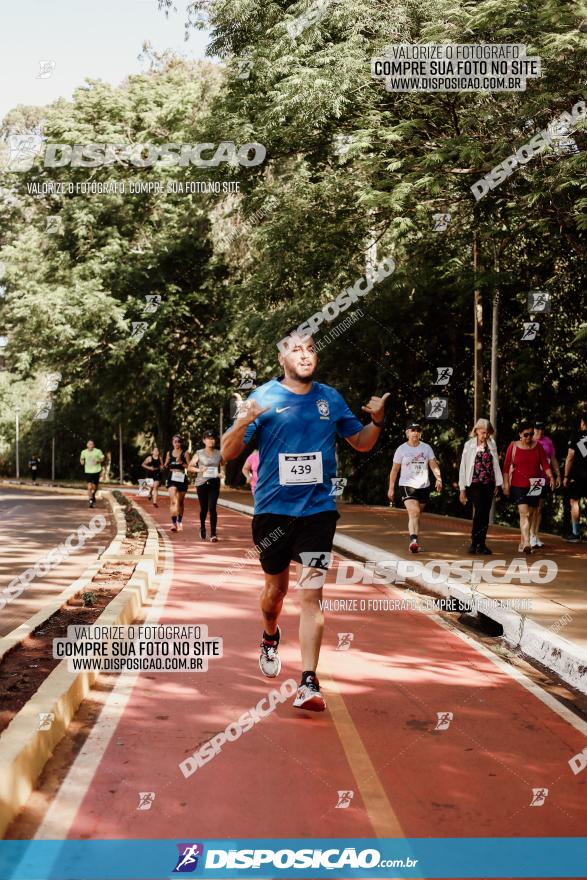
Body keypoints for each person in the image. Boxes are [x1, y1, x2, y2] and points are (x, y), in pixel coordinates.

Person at [221, 328, 388, 712]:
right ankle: (269, 634)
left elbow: (360, 442)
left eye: (310, 348)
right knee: (274, 595)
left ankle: (309, 681)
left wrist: (377, 421)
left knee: (311, 594)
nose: (305, 354)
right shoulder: (262, 397)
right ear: (282, 359)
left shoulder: (330, 398)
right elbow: (230, 453)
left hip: (318, 512)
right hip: (272, 512)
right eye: (296, 350)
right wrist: (243, 420)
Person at [388, 423, 442, 553]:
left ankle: (415, 540)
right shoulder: (401, 449)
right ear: (407, 433)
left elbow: (433, 465)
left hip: (424, 486)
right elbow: (395, 470)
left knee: (416, 515)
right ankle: (413, 541)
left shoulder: (426, 448)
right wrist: (391, 487)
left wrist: (439, 478)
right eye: (412, 430)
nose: (415, 433)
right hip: (407, 484)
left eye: (418, 430)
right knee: (414, 512)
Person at [502, 421, 555, 553]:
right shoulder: (513, 446)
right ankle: (526, 542)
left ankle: (522, 543)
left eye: (531, 434)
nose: (529, 437)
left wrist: (551, 476)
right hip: (518, 484)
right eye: (526, 435)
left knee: (531, 514)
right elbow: (506, 467)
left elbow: (545, 464)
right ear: (520, 434)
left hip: (536, 483)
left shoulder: (538, 447)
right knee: (524, 513)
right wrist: (506, 484)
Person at [458, 419, 503, 554]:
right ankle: (474, 541)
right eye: (483, 433)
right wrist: (462, 489)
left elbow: (495, 465)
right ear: (476, 431)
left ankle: (482, 544)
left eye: (488, 433)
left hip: (488, 484)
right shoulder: (469, 445)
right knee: (479, 510)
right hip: (474, 484)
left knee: (485, 513)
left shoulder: (492, 444)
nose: (485, 436)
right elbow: (463, 467)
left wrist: (498, 483)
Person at [188, 431, 223, 542]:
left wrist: (222, 474)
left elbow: (223, 465)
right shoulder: (199, 453)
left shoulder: (219, 453)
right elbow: (190, 467)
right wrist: (199, 469)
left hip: (214, 483)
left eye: (212, 438)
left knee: (212, 507)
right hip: (202, 484)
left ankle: (213, 533)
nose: (211, 440)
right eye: (208, 438)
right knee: (204, 509)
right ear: (204, 440)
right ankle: (202, 527)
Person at [532, 421, 561, 548]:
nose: (540, 431)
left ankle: (535, 535)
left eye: (542, 429)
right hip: (534, 479)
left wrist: (558, 474)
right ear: (533, 429)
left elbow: (553, 458)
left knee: (539, 508)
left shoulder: (548, 441)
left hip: (545, 478)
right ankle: (529, 535)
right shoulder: (530, 440)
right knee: (533, 507)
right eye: (537, 429)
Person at [563, 413, 587, 542]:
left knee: (575, 501)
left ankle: (576, 533)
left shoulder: (576, 436)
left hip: (578, 474)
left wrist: (566, 476)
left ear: (582, 423)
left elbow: (570, 456)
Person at [163, 435, 189, 532]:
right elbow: (165, 465)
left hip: (181, 478)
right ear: (172, 442)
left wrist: (182, 463)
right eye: (175, 441)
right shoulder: (169, 453)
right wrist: (165, 465)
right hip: (172, 478)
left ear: (181, 443)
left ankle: (179, 521)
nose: (177, 443)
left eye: (179, 441)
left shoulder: (185, 453)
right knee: (173, 501)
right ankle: (173, 524)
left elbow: (189, 466)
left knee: (181, 502)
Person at [80, 440, 104, 508]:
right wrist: (82, 462)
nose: (90, 445)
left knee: (95, 486)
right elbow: (81, 459)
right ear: (87, 445)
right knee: (89, 486)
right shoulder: (84, 452)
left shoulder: (98, 451)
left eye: (92, 444)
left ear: (93, 445)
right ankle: (90, 500)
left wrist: (98, 461)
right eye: (89, 444)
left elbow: (102, 458)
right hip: (88, 471)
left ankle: (93, 494)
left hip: (96, 470)